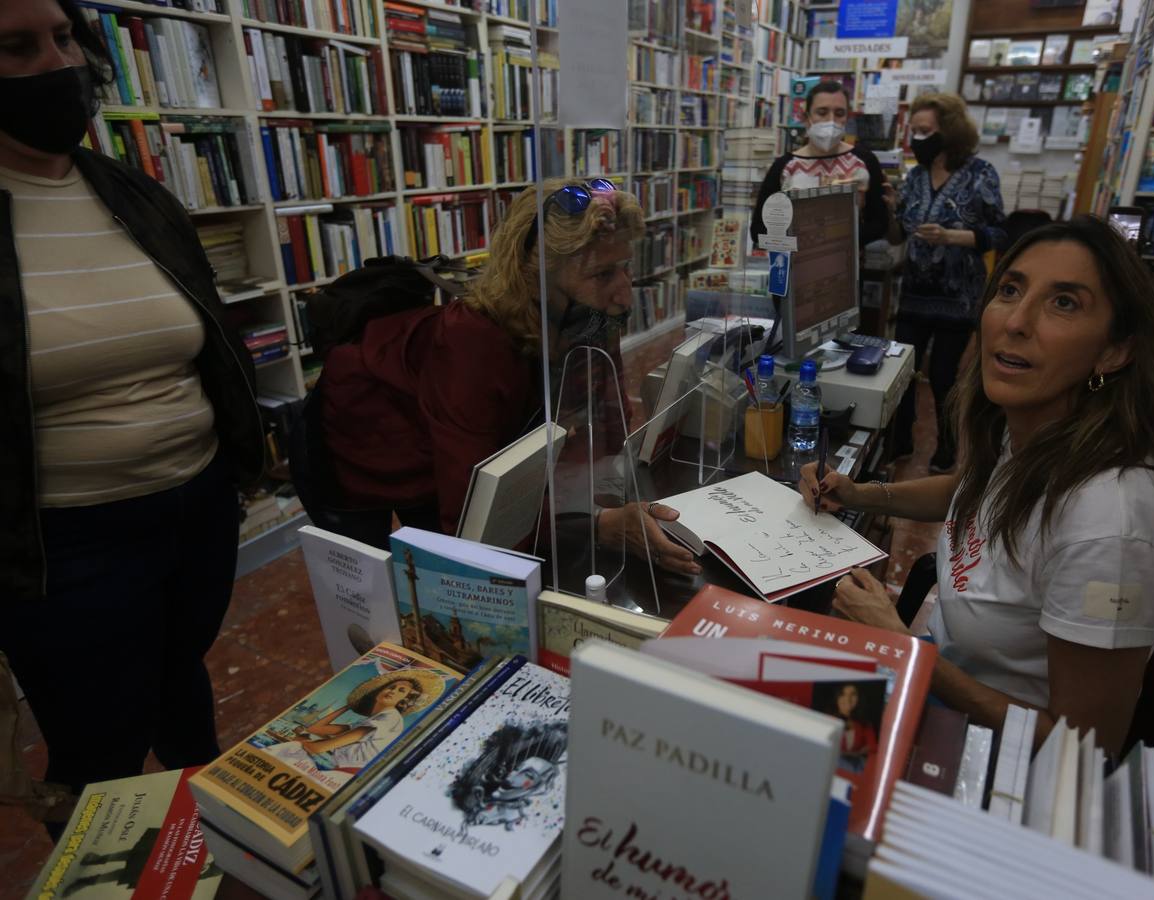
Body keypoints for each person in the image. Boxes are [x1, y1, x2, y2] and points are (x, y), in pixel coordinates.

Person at [0, 0, 264, 825]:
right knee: (99, 738)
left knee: (180, 675)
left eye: (64, 36)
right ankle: (100, 849)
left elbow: (205, 337)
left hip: (195, 502)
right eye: (16, 47)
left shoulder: (130, 193)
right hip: (65, 539)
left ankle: (208, 822)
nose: (58, 63)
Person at [799, 216, 1154, 756]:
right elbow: (973, 488)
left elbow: (1081, 748)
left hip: (993, 754)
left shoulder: (1111, 527)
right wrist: (863, 494)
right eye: (1010, 290)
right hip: (944, 671)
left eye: (1064, 303)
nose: (1016, 322)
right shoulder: (1040, 428)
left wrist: (905, 649)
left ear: (1114, 351)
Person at [313, 178, 700, 575]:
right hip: (357, 440)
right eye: (602, 275)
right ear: (536, 277)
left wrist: (608, 501)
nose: (624, 294)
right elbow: (468, 517)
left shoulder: (586, 313)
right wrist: (599, 525)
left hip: (446, 437)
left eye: (625, 268)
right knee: (400, 579)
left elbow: (609, 418)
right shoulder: (472, 340)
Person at [891, 92, 1007, 474]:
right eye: (915, 131)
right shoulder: (915, 176)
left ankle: (947, 447)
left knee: (943, 376)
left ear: (950, 132)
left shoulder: (980, 174)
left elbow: (999, 233)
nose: (918, 138)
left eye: (926, 131)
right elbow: (899, 228)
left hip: (958, 296)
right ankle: (900, 440)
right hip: (914, 293)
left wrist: (952, 237)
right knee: (902, 371)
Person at [750, 80, 890, 246]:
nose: (831, 120)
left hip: (850, 265)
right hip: (797, 266)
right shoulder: (785, 166)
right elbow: (759, 230)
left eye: (839, 113)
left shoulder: (864, 161)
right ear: (806, 118)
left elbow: (880, 224)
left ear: (847, 118)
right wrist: (803, 242)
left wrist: (837, 239)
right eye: (822, 112)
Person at [266, 670, 441, 778]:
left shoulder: (388, 718)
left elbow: (318, 748)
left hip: (348, 775)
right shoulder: (370, 721)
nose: (392, 691)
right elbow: (316, 729)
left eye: (401, 691)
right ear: (378, 692)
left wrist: (301, 740)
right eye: (391, 687)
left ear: (405, 700)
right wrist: (347, 707)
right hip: (339, 770)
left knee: (282, 753)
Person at [831, 682, 878, 773]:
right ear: (837, 698)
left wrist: (858, 753)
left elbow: (873, 746)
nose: (848, 699)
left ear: (858, 699)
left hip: (854, 765)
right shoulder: (828, 720)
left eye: (853, 695)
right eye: (843, 694)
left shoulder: (864, 724)